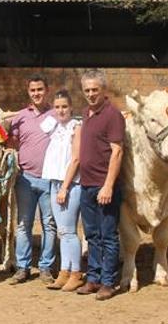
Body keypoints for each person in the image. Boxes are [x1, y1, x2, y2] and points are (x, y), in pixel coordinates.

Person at [76, 70, 125, 301]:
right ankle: (93, 278)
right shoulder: (87, 113)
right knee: (92, 235)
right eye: (87, 90)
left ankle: (108, 282)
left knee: (108, 235)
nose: (91, 94)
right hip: (86, 185)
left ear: (103, 90)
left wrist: (108, 186)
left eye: (95, 89)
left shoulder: (113, 115)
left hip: (104, 186)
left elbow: (117, 151)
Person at [9, 76, 58, 285]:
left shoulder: (57, 114)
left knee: (49, 224)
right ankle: (23, 267)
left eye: (40, 89)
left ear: (46, 90)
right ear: (28, 92)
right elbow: (11, 140)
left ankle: (46, 267)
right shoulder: (19, 117)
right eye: (32, 90)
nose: (36, 93)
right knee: (23, 224)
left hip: (49, 179)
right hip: (25, 179)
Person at [40, 90, 85, 291]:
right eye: (57, 107)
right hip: (55, 182)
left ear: (71, 107)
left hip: (70, 184)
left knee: (68, 231)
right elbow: (43, 128)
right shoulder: (55, 127)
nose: (61, 110)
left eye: (64, 106)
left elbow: (75, 159)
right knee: (62, 231)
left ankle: (76, 272)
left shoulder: (76, 128)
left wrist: (65, 187)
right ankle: (64, 271)